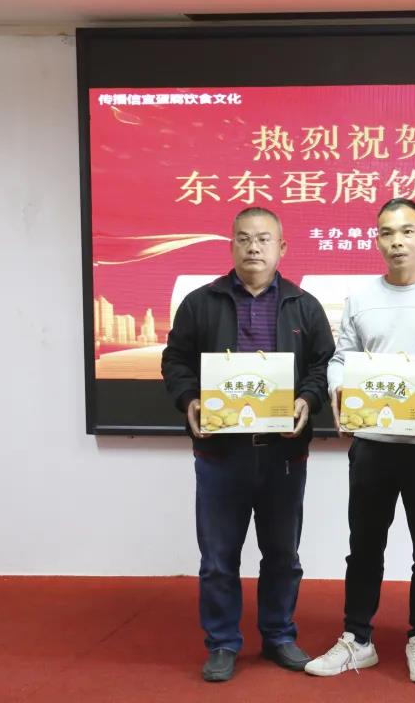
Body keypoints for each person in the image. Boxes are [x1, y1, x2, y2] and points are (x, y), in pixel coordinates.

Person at [305, 198, 415, 683]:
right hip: (371, 445)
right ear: (377, 240)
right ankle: (357, 639)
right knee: (364, 546)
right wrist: (339, 390)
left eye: (407, 231)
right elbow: (340, 358)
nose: (397, 241)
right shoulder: (362, 297)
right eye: (387, 233)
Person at [161, 206, 335, 683]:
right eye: (243, 238)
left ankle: (278, 635)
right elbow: (175, 360)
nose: (253, 247)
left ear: (282, 247)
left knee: (282, 555)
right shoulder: (200, 303)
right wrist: (189, 399)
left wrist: (307, 399)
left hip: (282, 453)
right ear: (232, 244)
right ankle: (222, 642)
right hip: (221, 453)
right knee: (218, 558)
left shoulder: (304, 305)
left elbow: (323, 364)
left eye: (263, 239)